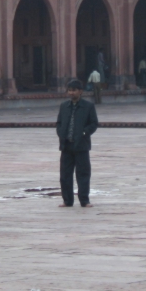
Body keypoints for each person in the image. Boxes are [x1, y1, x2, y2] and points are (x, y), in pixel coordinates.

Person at [56, 79, 99, 208]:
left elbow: (94, 124)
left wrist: (84, 133)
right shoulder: (64, 106)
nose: (71, 93)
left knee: (83, 174)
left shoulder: (88, 106)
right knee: (65, 175)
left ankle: (84, 200)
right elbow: (59, 123)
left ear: (80, 91)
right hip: (66, 145)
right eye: (69, 90)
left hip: (81, 146)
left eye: (74, 90)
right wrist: (61, 133)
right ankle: (67, 200)